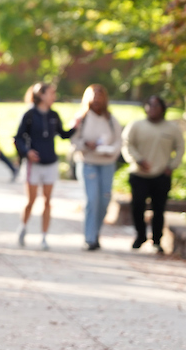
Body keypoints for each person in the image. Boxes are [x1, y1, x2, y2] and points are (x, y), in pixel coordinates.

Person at [122, 95, 185, 254]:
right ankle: (140, 236)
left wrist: (172, 166)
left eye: (156, 105)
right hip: (139, 174)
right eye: (149, 105)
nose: (152, 108)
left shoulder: (172, 128)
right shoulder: (136, 126)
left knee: (159, 209)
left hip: (161, 175)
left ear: (163, 108)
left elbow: (180, 147)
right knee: (137, 207)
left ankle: (157, 240)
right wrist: (138, 160)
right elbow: (127, 145)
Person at [15, 81, 73, 250]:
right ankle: (23, 226)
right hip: (34, 164)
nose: (54, 97)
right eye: (51, 93)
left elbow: (63, 134)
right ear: (41, 95)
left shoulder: (54, 115)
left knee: (48, 201)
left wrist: (77, 125)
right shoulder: (30, 115)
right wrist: (28, 152)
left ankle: (44, 236)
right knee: (31, 200)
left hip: (50, 162)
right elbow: (18, 138)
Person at [70, 84, 123, 251]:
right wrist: (86, 145)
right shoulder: (82, 118)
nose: (97, 99)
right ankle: (89, 237)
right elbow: (73, 140)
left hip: (107, 163)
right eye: (94, 96)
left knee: (104, 200)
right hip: (88, 162)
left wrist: (110, 152)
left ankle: (96, 232)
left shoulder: (110, 119)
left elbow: (118, 142)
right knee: (92, 200)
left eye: (100, 96)